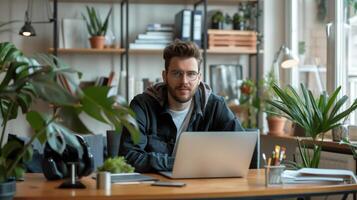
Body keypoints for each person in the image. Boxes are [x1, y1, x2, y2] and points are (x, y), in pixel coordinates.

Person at [119, 40, 243, 172]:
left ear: (199, 77)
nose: (184, 81)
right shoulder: (142, 105)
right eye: (176, 73)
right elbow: (129, 158)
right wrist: (183, 164)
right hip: (154, 187)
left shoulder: (215, 106)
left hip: (204, 187)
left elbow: (240, 149)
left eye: (191, 74)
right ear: (165, 76)